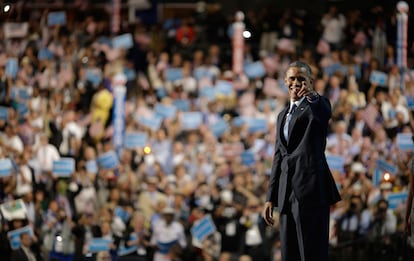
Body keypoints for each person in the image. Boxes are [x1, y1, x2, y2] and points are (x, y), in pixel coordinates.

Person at [262, 61, 341, 261]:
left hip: (311, 191)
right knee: (290, 253)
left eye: (301, 79)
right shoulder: (281, 115)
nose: (296, 83)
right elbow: (279, 157)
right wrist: (270, 197)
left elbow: (325, 112)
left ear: (310, 82)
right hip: (286, 193)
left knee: (311, 253)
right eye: (292, 78)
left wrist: (312, 95)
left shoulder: (316, 106)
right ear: (285, 81)